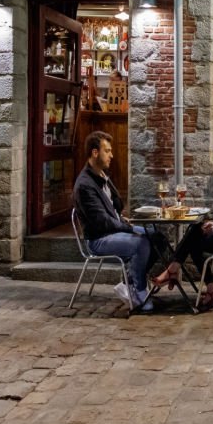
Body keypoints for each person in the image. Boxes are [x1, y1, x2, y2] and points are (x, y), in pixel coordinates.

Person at [152, 147, 213, 311]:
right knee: (196, 234)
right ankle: (203, 286)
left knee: (194, 235)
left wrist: (212, 230)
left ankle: (172, 270)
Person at [73, 131, 158, 311]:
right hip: (99, 239)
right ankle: (140, 292)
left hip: (114, 229)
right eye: (107, 151)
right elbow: (102, 222)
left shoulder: (102, 175)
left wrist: (120, 216)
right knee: (141, 242)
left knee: (157, 238)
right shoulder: (85, 185)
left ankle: (129, 282)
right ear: (95, 153)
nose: (111, 155)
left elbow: (116, 206)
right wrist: (128, 227)